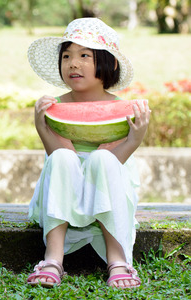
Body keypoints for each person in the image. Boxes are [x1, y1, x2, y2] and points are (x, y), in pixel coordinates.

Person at [25, 18, 150, 289]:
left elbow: (114, 166)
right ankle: (52, 259)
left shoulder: (122, 110)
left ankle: (118, 260)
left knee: (102, 158)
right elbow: (56, 157)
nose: (73, 63)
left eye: (85, 55)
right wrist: (41, 126)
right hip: (64, 186)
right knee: (61, 157)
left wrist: (134, 139)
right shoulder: (54, 106)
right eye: (67, 55)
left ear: (109, 64)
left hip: (108, 185)